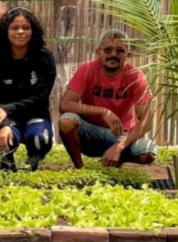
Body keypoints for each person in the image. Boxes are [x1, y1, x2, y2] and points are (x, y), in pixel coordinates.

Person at [59, 29, 157, 168]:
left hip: (121, 135)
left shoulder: (136, 77)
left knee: (148, 152)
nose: (113, 55)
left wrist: (120, 146)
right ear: (98, 52)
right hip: (89, 132)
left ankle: (116, 161)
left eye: (120, 51)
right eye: (108, 50)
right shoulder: (87, 69)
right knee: (66, 121)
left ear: (128, 55)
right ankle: (79, 167)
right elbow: (65, 105)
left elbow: (146, 120)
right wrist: (103, 112)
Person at [0, 7, 57, 171]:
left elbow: (41, 97)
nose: (21, 32)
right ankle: (7, 160)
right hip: (8, 118)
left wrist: (8, 108)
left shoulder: (44, 58)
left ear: (33, 31)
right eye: (15, 28)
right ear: (5, 31)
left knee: (40, 139)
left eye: (26, 27)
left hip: (36, 114)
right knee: (0, 135)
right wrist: (4, 123)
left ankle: (33, 159)